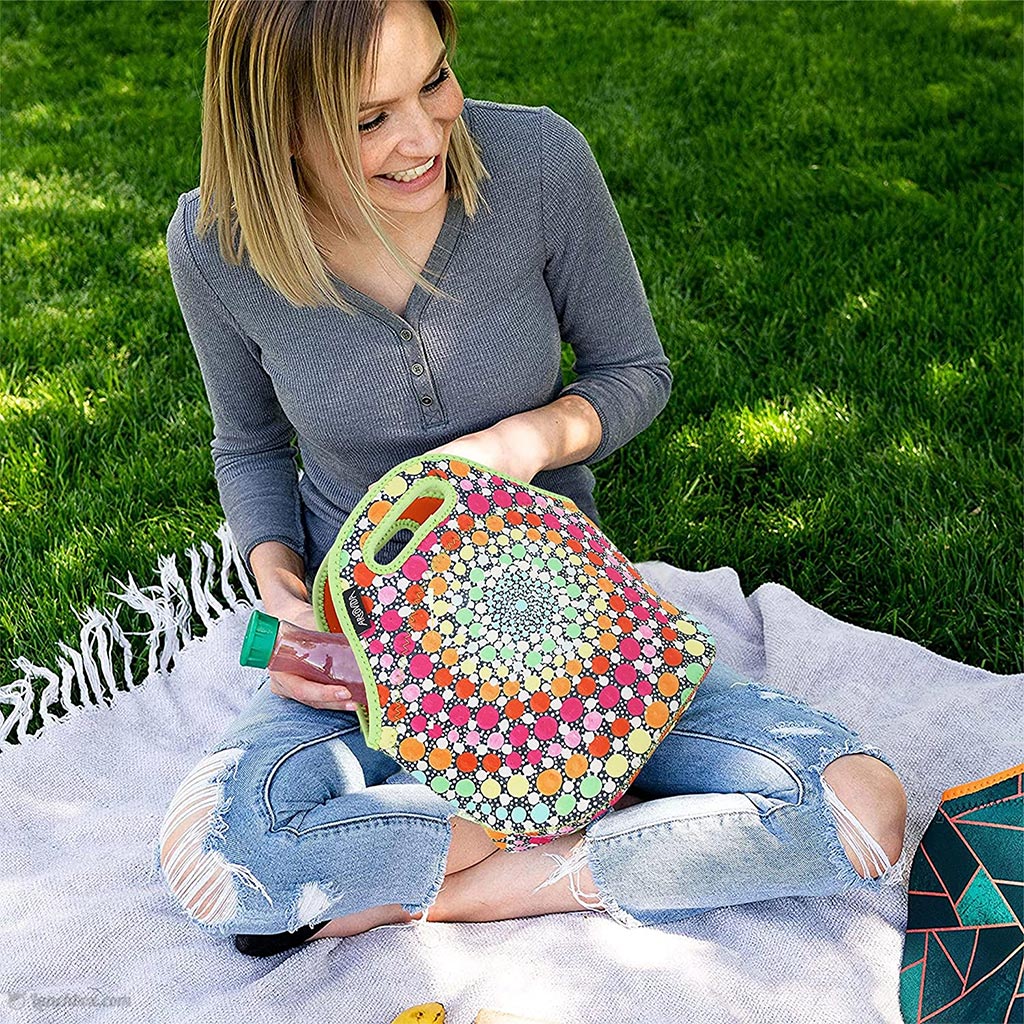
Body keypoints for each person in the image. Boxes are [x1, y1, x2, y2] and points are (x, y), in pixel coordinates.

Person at [158, 0, 908, 957]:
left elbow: (635, 371)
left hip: (570, 638)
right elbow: (251, 449)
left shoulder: (538, 165)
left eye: (433, 79)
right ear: (274, 126)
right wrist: (280, 593)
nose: (425, 136)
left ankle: (462, 879)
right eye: (366, 119)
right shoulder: (216, 245)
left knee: (860, 807)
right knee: (214, 860)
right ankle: (563, 812)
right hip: (371, 654)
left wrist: (526, 442)